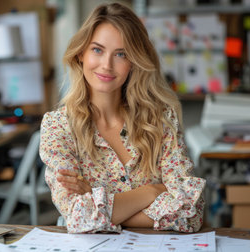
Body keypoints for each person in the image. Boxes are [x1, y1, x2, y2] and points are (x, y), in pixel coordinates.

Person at [39, 3, 205, 234]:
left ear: (134, 62)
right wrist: (152, 192)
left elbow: (192, 212)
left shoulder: (160, 121)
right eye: (97, 50)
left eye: (121, 54)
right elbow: (78, 216)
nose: (106, 65)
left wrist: (102, 205)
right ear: (81, 54)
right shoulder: (57, 127)